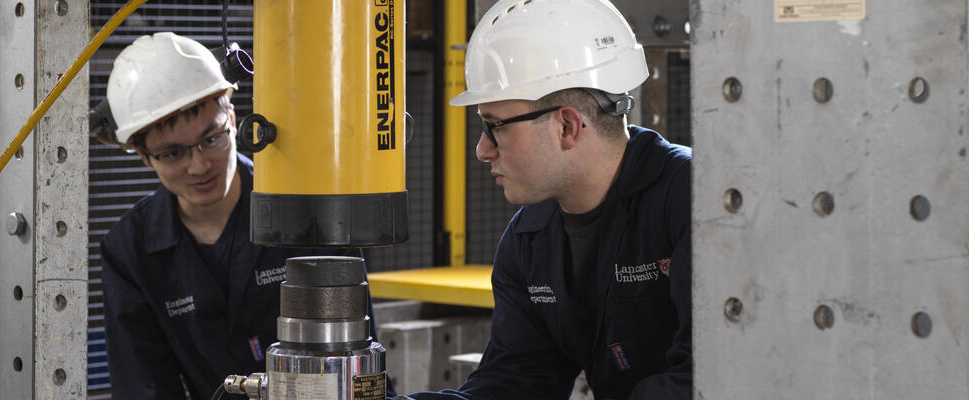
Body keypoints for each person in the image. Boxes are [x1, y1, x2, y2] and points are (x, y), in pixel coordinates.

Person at [409, 1, 692, 399]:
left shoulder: (692, 202)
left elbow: (712, 378)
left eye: (494, 127)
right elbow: (514, 386)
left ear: (566, 126)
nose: (482, 150)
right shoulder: (530, 239)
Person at [97, 32, 363, 399]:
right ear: (144, 156)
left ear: (233, 118)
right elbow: (143, 387)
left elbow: (357, 369)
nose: (199, 165)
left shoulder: (308, 211)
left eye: (212, 138)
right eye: (173, 153)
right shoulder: (130, 252)